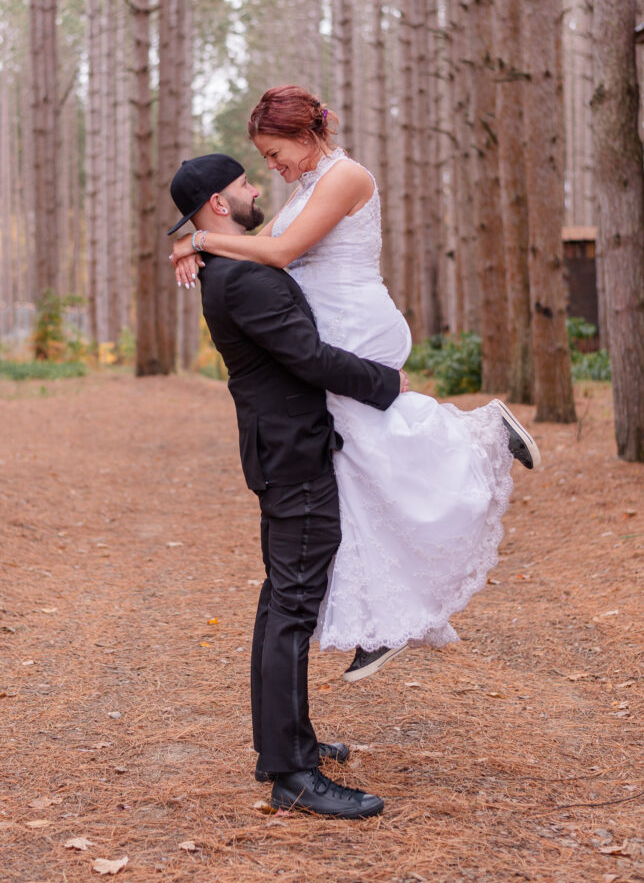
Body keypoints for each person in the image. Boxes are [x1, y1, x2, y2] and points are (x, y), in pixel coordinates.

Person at [171, 85, 540, 685]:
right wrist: (201, 242)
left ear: (305, 134)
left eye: (274, 151)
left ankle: (485, 434)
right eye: (264, 159)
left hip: (353, 325)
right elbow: (264, 247)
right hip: (329, 325)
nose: (272, 167)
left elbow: (283, 251)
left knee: (370, 451)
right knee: (356, 472)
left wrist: (202, 240)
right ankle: (385, 616)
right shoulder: (307, 186)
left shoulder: (344, 176)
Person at [167, 152, 410, 818]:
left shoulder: (233, 263)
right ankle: (292, 775)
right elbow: (307, 358)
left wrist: (190, 243)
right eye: (245, 184)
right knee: (293, 607)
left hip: (284, 450)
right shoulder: (243, 278)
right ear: (220, 202)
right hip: (292, 454)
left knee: (283, 600)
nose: (256, 191)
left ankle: (283, 745)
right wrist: (387, 383)